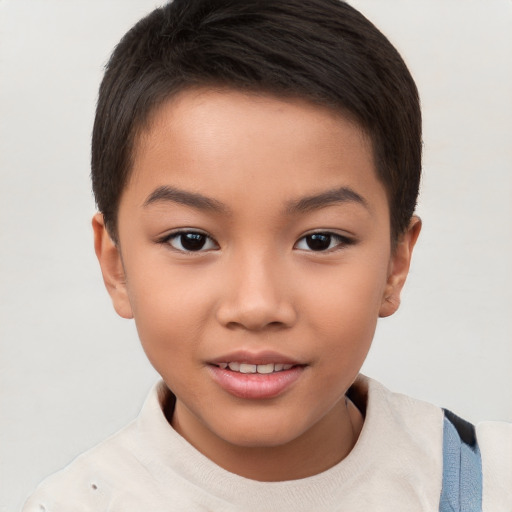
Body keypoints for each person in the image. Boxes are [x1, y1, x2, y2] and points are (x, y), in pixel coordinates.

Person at [22, 0, 511, 510]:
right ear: (115, 265)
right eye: (192, 240)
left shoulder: (492, 484)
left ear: (395, 264)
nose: (256, 306)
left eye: (319, 241)